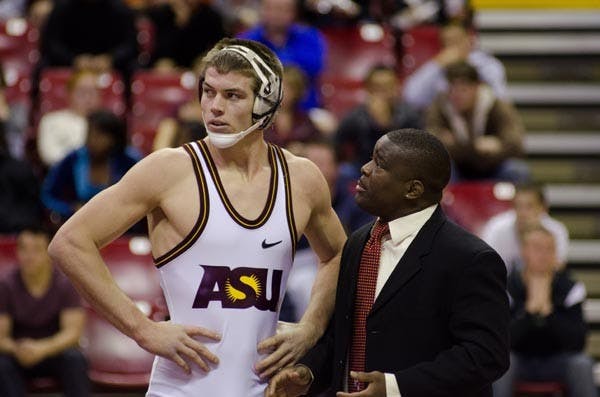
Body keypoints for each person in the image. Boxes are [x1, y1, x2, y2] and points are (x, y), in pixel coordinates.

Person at [48, 38, 347, 396]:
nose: (214, 107)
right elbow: (69, 242)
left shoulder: (301, 178)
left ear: (266, 103)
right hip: (180, 389)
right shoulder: (169, 170)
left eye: (232, 96)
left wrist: (311, 326)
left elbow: (338, 255)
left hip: (264, 388)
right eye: (208, 92)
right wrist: (142, 329)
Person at [266, 128, 509, 397]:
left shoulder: (470, 259)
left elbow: (486, 356)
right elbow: (344, 333)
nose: (364, 168)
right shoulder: (358, 242)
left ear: (413, 189)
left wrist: (396, 386)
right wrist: (308, 372)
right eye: (370, 159)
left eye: (379, 164)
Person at [492, 224, 597, 397]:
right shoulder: (507, 287)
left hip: (558, 361)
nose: (544, 255)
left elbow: (578, 342)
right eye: (537, 248)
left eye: (549, 249)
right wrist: (529, 314)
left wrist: (549, 314)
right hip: (518, 361)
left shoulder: (569, 288)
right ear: (524, 252)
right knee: (499, 364)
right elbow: (499, 342)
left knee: (582, 364)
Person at [0, 226, 89, 397]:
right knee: (1, 365)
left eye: (36, 250)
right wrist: (18, 348)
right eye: (23, 249)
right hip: (19, 353)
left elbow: (72, 333)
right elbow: (1, 337)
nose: (28, 256)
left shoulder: (65, 284)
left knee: (75, 359)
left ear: (49, 254)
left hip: (53, 351)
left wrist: (41, 348)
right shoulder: (6, 285)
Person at [425, 61, 528, 183]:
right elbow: (432, 147)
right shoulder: (439, 106)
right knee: (440, 168)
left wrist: (456, 145)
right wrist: (480, 146)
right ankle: (447, 202)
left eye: (463, 89)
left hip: (493, 168)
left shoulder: (497, 106)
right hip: (457, 170)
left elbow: (516, 145)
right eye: (452, 89)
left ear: (477, 87)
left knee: (516, 169)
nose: (457, 95)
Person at [41, 109, 140, 225]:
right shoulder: (72, 160)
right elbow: (47, 196)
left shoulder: (129, 162)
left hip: (122, 226)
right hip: (78, 226)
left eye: (98, 136)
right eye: (88, 134)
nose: (90, 141)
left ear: (113, 139)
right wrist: (70, 209)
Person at [238, 0, 326, 110]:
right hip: (258, 109)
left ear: (294, 12)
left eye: (283, 9)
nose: (277, 14)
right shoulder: (245, 41)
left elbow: (312, 69)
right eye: (271, 8)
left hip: (305, 109)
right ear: (262, 10)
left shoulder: (310, 38)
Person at [403, 21, 507, 110]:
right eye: (446, 42)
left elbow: (500, 99)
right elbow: (411, 97)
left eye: (456, 40)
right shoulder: (438, 67)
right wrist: (436, 65)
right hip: (445, 122)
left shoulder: (487, 64)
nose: (452, 46)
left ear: (469, 41)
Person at [335, 64, 422, 169]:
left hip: (401, 169)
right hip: (363, 167)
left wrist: (385, 121)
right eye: (377, 87)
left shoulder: (409, 114)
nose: (383, 92)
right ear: (368, 89)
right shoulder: (357, 115)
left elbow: (421, 147)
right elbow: (336, 141)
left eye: (387, 86)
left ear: (396, 87)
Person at [481, 183, 569, 274]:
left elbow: (558, 267)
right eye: (518, 206)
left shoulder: (556, 230)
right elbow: (485, 266)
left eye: (529, 206)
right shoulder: (496, 228)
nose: (523, 213)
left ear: (543, 208)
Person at [37, 69, 102, 167]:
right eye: (82, 92)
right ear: (69, 94)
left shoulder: (107, 124)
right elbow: (49, 155)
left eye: (93, 92)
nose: (88, 98)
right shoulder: (51, 121)